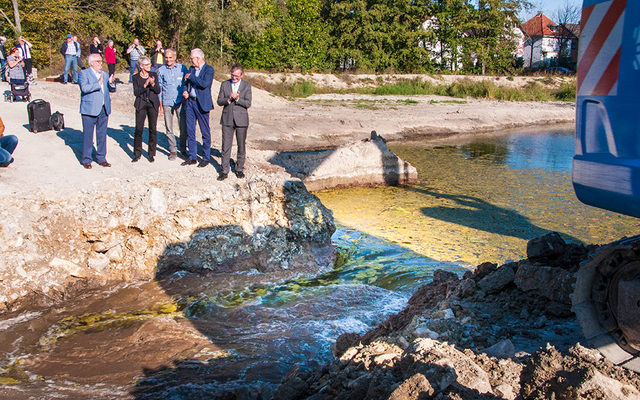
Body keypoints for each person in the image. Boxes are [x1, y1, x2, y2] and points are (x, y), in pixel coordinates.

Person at [79, 53, 116, 169]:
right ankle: (86, 159)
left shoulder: (104, 74)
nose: (101, 63)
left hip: (104, 108)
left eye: (101, 61)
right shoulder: (83, 74)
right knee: (88, 135)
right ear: (91, 63)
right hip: (89, 109)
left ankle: (101, 158)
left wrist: (111, 83)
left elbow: (112, 89)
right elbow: (84, 88)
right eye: (98, 61)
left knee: (102, 135)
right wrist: (98, 83)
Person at [216, 63, 252, 180]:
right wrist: (228, 99)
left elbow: (248, 103)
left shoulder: (246, 86)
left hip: (241, 119)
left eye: (237, 76)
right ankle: (224, 170)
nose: (234, 78)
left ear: (242, 75)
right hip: (227, 118)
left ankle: (239, 169)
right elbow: (219, 101)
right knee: (226, 145)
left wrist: (237, 99)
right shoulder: (225, 84)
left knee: (241, 145)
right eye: (232, 75)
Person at [181, 48, 214, 167]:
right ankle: (192, 156)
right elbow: (185, 83)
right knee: (190, 130)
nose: (191, 60)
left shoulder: (209, 69)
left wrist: (191, 77)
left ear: (198, 58)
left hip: (202, 104)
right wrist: (185, 91)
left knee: (205, 132)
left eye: (192, 58)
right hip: (190, 102)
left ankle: (206, 157)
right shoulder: (191, 69)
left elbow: (204, 84)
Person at [157, 48, 188, 160]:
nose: (168, 60)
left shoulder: (182, 68)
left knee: (183, 127)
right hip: (167, 102)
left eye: (170, 57)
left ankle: (183, 149)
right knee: (169, 128)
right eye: (166, 57)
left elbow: (186, 83)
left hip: (180, 102)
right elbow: (159, 89)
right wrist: (160, 106)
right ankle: (173, 150)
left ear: (174, 57)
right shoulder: (161, 70)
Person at [132, 56, 160, 163]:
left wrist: (152, 84)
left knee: (152, 129)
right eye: (147, 64)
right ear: (141, 66)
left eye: (149, 64)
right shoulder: (136, 77)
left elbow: (157, 90)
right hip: (141, 104)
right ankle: (137, 153)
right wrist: (145, 85)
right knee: (139, 129)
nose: (149, 66)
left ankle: (151, 153)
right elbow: (136, 92)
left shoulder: (154, 75)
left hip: (152, 104)